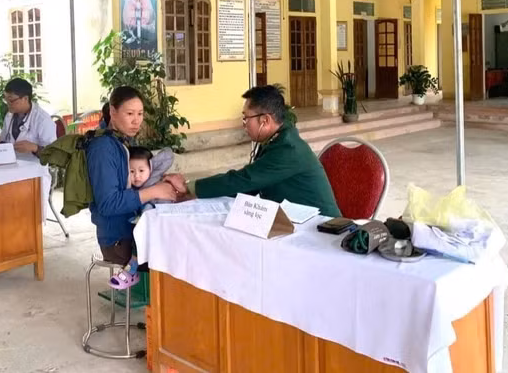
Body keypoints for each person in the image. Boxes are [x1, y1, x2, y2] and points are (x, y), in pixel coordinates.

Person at [166, 85, 341, 217]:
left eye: (246, 118)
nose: (244, 125)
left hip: (322, 229)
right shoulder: (276, 139)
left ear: (265, 120)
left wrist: (190, 187)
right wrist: (196, 195)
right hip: (293, 222)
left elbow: (245, 180)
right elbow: (249, 186)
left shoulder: (288, 149)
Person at [87, 86, 178, 289]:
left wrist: (164, 180)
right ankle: (161, 316)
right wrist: (153, 192)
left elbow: (133, 183)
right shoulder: (103, 148)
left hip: (132, 231)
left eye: (140, 114)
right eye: (129, 114)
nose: (136, 120)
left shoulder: (122, 142)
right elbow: (108, 204)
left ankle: (160, 315)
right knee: (182, 250)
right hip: (119, 240)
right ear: (112, 112)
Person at [105, 145, 174, 289]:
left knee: (144, 220)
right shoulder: (129, 187)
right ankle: (133, 269)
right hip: (147, 226)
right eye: (132, 171)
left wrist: (152, 163)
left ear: (150, 168)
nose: (137, 176)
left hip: (160, 215)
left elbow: (168, 154)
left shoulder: (154, 177)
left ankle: (132, 269)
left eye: (141, 170)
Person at [0, 78, 56, 154]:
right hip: (12, 163)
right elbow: (6, 143)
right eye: (6, 100)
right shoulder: (9, 116)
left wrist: (35, 148)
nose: (7, 104)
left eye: (11, 100)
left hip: (35, 164)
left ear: (25, 98)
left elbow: (53, 154)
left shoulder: (43, 119)